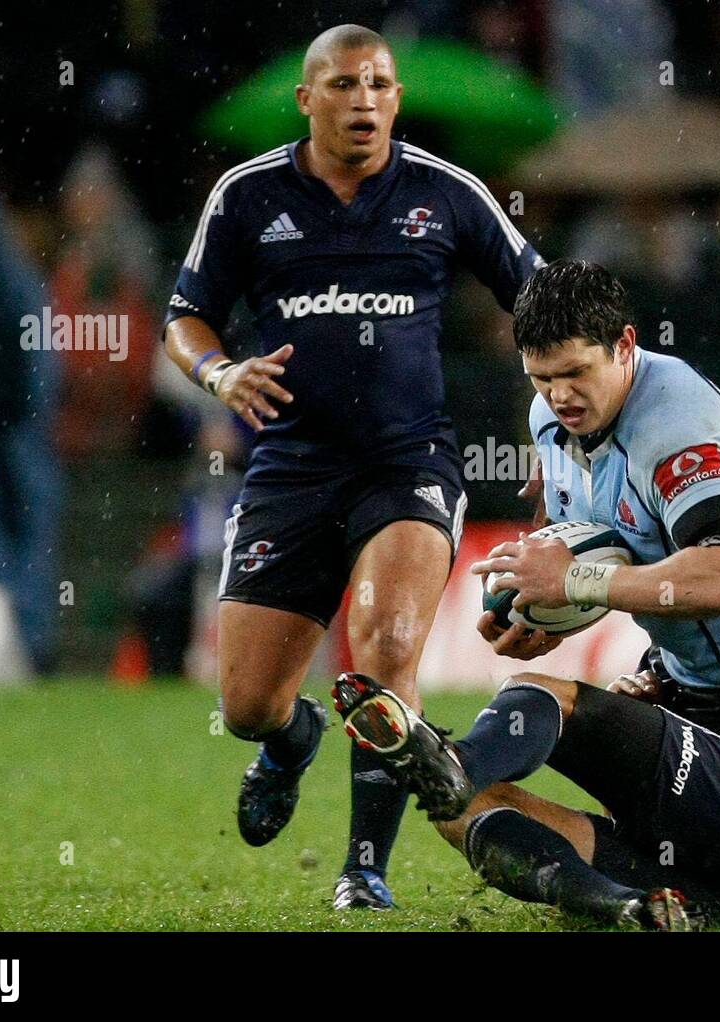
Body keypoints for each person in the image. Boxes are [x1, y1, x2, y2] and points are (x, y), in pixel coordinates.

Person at [161, 24, 543, 910]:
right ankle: (291, 742)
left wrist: (554, 415)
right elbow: (185, 315)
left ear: (396, 99)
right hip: (290, 469)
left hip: (407, 465)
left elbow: (539, 294)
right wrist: (219, 370)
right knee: (249, 703)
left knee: (386, 652)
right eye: (342, 84)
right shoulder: (248, 195)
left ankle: (363, 868)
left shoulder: (446, 193)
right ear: (308, 100)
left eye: (378, 84)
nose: (363, 99)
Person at [330, 625, 720, 929]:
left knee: (542, 692)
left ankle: (456, 762)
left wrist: (653, 725)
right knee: (461, 809)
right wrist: (660, 726)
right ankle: (619, 903)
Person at [474, 259, 720, 735]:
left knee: (563, 731)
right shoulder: (552, 419)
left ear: (624, 346)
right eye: (541, 377)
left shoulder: (678, 428)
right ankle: (451, 786)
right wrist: (549, 616)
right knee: (527, 706)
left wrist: (572, 581)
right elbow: (613, 558)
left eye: (575, 371)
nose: (559, 396)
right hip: (683, 677)